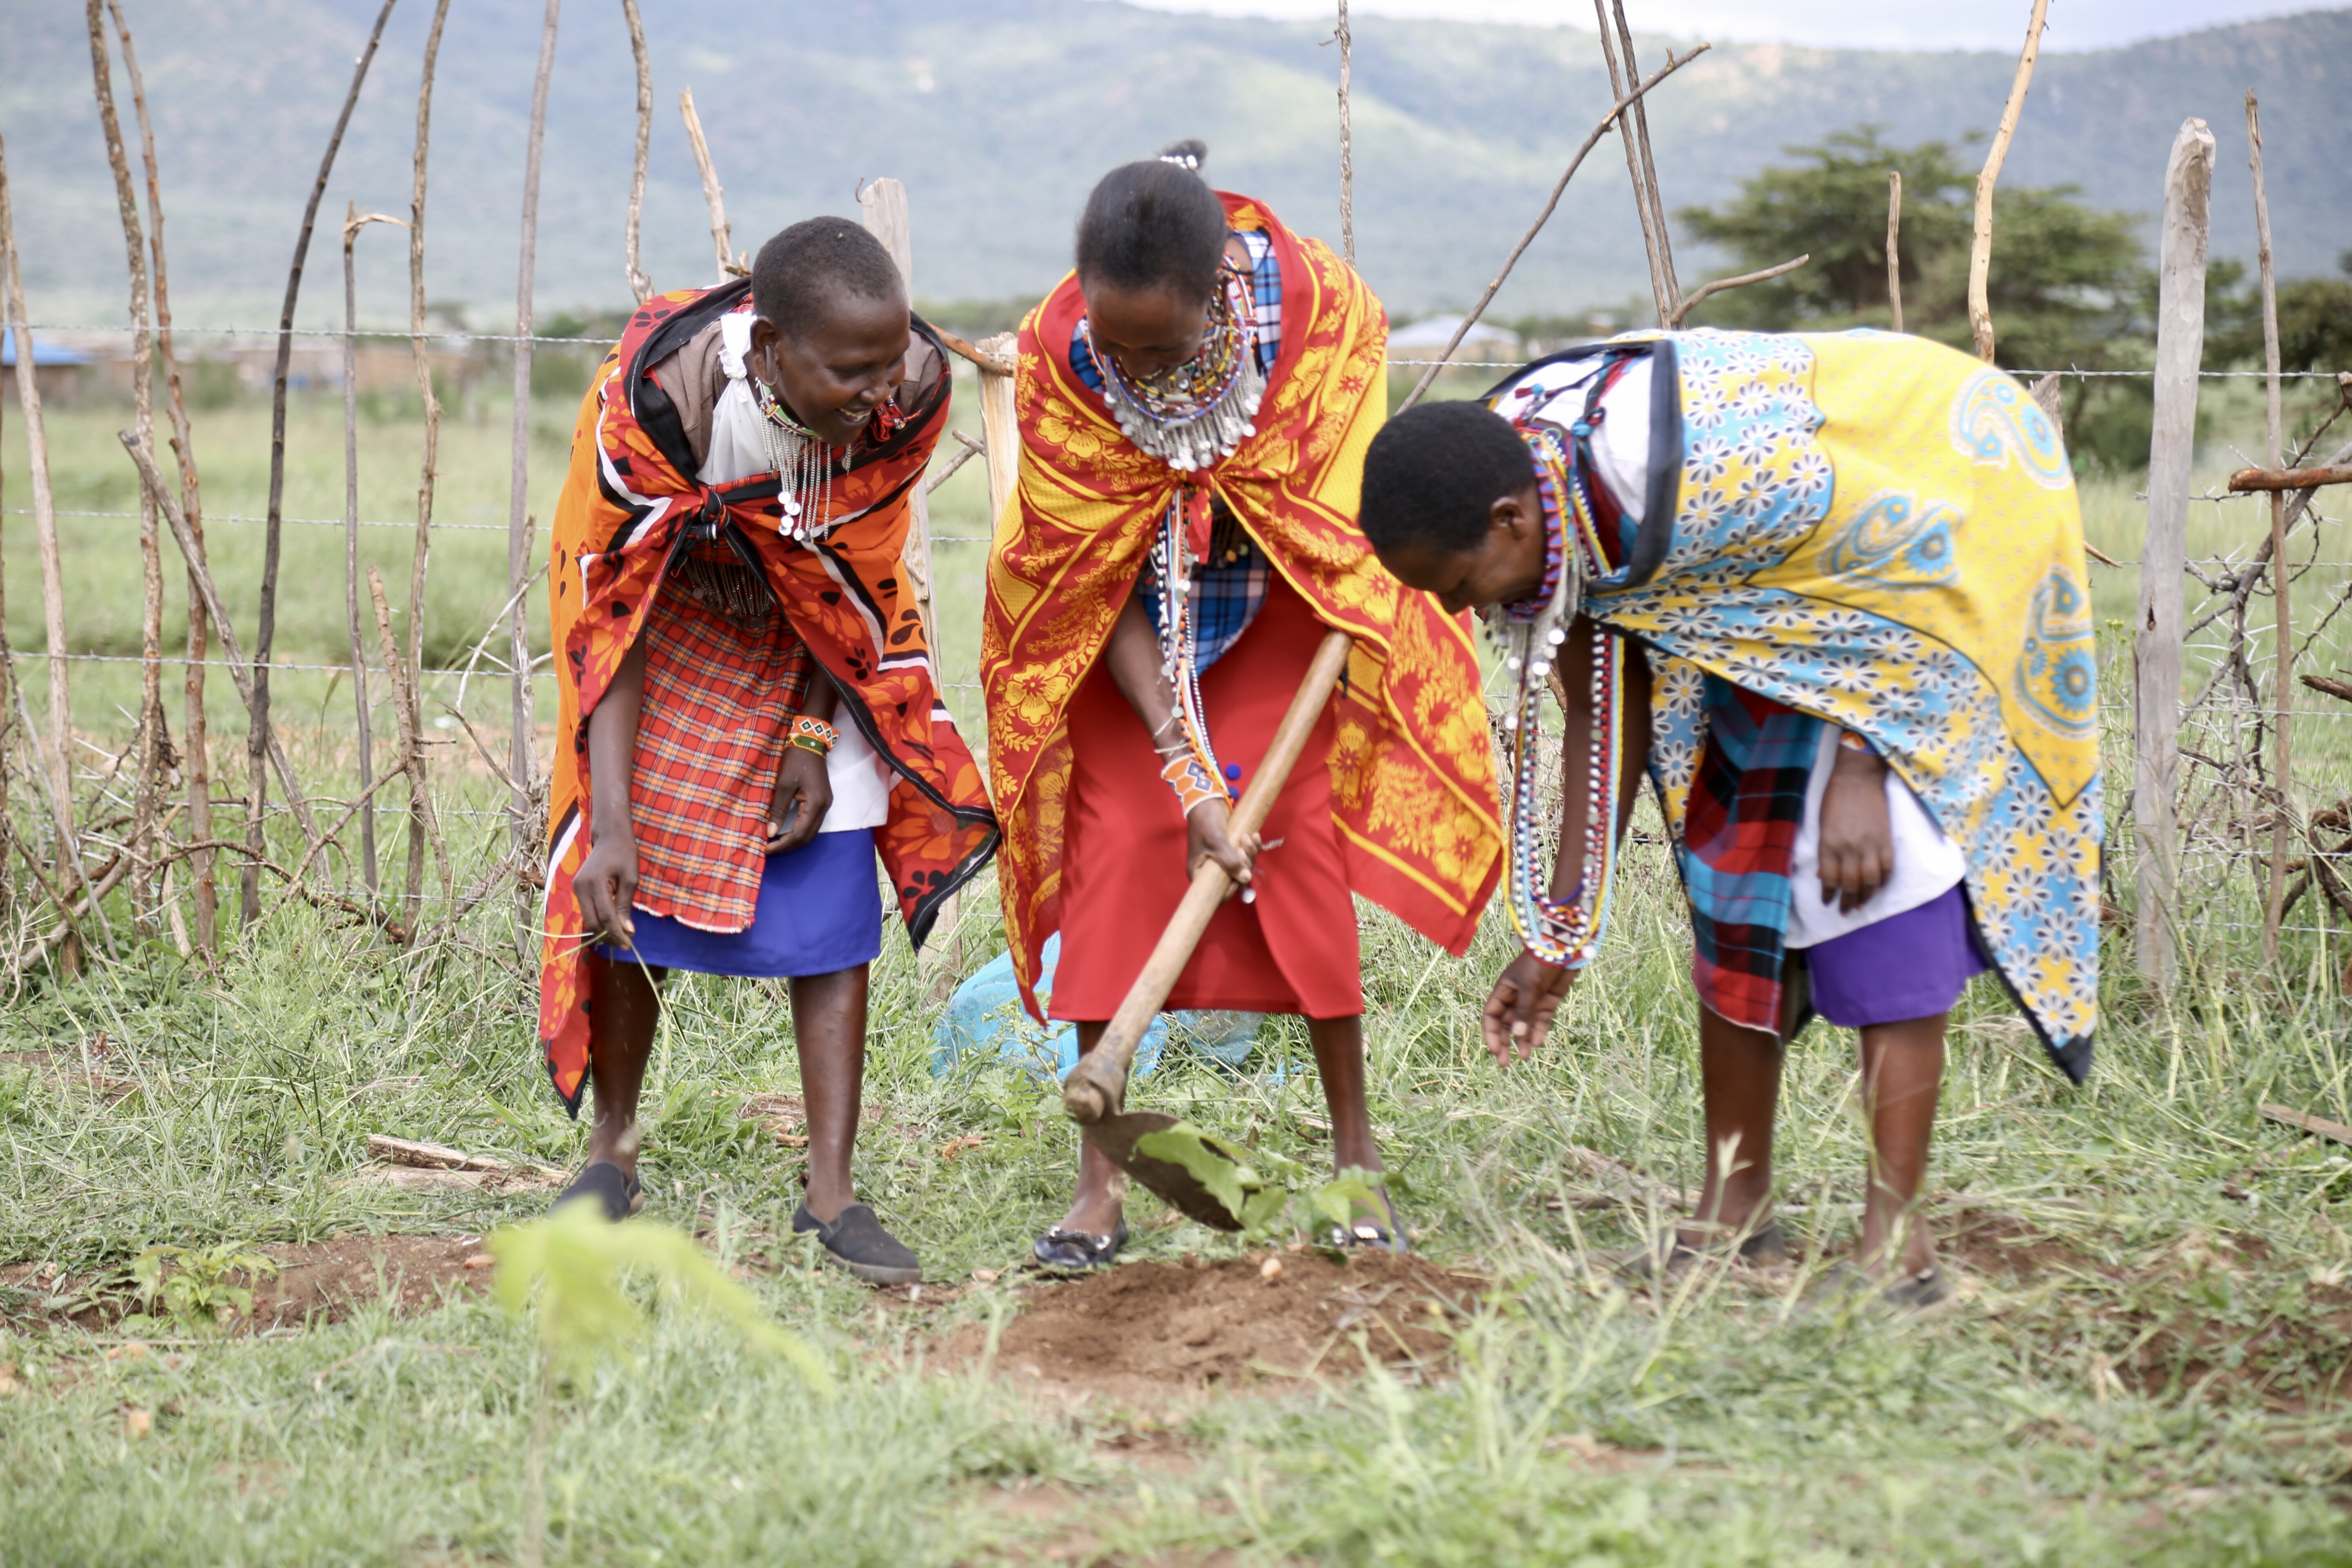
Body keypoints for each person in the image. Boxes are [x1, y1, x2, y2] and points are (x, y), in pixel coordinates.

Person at [1358, 330, 2100, 1307]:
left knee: (1889, 893)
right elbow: (1598, 713)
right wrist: (1561, 932)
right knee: (1739, 889)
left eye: (1456, 589)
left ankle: (1898, 1242)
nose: (1461, 614)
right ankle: (1732, 1212)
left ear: (1508, 521)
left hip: (1935, 524)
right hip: (1767, 614)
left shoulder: (1717, 474)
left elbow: (1892, 565)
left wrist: (1861, 772)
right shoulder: (1534, 506)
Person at [982, 142, 1502, 1270]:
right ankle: (1101, 1181)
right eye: (1118, 342)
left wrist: (1233, 776)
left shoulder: (1316, 315)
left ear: (1220, 290)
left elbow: (1337, 505)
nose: (1139, 368)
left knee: (1294, 840)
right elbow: (1080, 571)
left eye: (1160, 347)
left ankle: (1356, 1157)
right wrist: (1180, 760)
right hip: (1126, 624)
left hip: (1284, 603)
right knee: (1119, 839)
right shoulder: (1061, 352)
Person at [538, 218, 997, 1285]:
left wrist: (805, 732)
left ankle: (830, 1194)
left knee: (834, 869)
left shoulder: (910, 394)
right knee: (628, 878)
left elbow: (842, 585)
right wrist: (610, 823)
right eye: (849, 370)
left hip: (815, 635)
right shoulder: (660, 398)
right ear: (771, 341)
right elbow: (616, 607)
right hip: (664, 609)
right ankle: (612, 1155)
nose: (881, 394)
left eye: (888, 365)